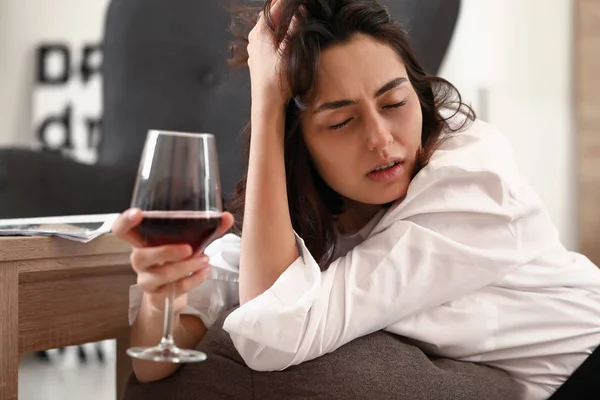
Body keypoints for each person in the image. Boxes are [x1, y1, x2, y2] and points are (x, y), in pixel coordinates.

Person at [112, 0, 600, 399]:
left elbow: (273, 334)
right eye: (342, 121)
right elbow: (156, 368)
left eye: (394, 103)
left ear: (421, 96)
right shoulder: (310, 214)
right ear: (299, 143)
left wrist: (267, 97)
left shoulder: (472, 184)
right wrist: (161, 297)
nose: (382, 140)